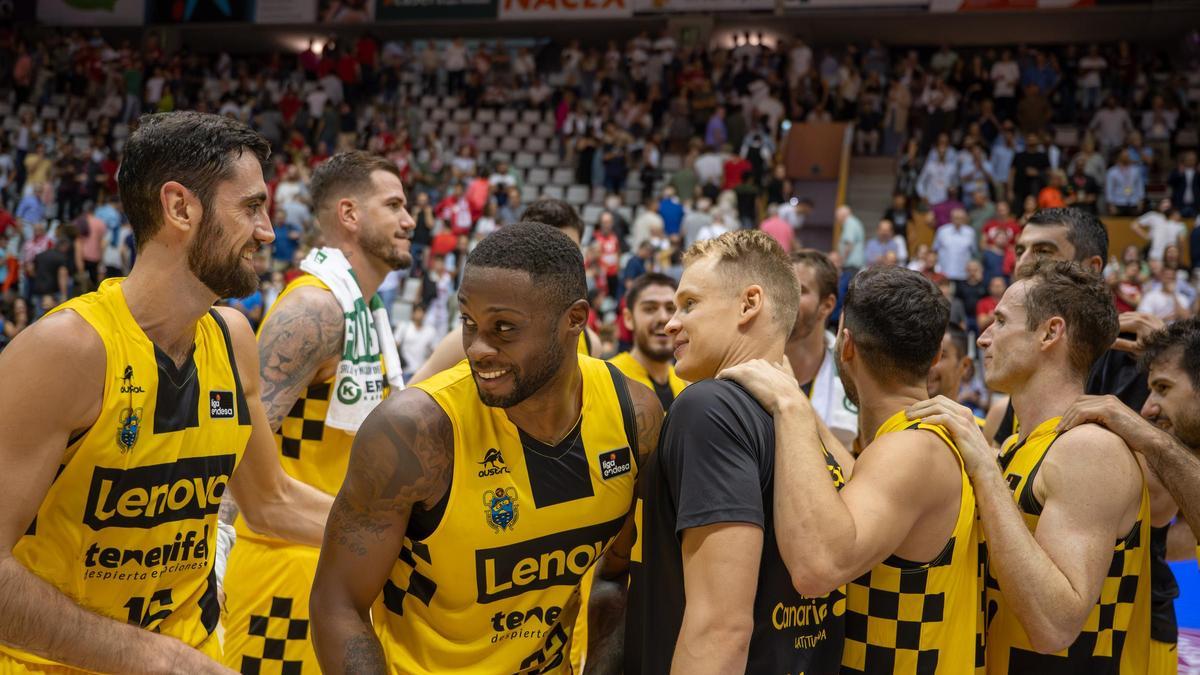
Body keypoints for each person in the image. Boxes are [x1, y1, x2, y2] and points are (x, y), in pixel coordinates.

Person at [0, 111, 333, 672]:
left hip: (193, 652)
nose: (268, 231)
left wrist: (411, 533)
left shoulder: (232, 338)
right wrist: (157, 658)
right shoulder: (67, 351)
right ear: (180, 208)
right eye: (251, 207)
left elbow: (270, 501)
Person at [310, 222, 662, 674]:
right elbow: (337, 603)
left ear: (575, 320)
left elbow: (618, 577)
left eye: (504, 328)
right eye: (469, 322)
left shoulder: (634, 415)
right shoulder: (414, 432)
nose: (477, 348)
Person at [722, 265, 983, 674]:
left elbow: (817, 568)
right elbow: (863, 486)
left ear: (845, 347)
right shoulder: (912, 439)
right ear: (933, 357)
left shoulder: (912, 449)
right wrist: (805, 408)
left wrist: (790, 408)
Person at [625, 230, 854, 674]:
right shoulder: (798, 422)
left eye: (689, 304)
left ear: (749, 304)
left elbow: (720, 630)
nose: (672, 323)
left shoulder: (708, 408)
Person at [220, 151, 414, 673]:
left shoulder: (364, 311)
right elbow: (233, 449)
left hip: (335, 565)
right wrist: (211, 560)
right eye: (394, 205)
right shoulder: (314, 311)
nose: (409, 219)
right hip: (281, 575)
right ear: (349, 215)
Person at [909, 259, 1153, 673]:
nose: (984, 339)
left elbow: (1054, 627)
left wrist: (986, 471)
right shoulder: (1022, 442)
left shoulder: (1089, 449)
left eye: (1000, 322)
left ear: (1050, 332)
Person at [408, 198, 601, 384]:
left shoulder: (590, 343)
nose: (558, 264)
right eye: (546, 254)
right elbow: (410, 397)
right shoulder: (467, 343)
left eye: (569, 252)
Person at [785, 249, 858, 446]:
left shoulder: (855, 375)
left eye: (799, 290)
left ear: (827, 305)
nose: (785, 298)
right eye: (781, 288)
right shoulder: (752, 365)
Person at [609, 272, 687, 411]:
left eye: (671, 309)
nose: (663, 318)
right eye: (650, 309)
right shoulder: (607, 379)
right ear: (628, 318)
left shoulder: (684, 384)